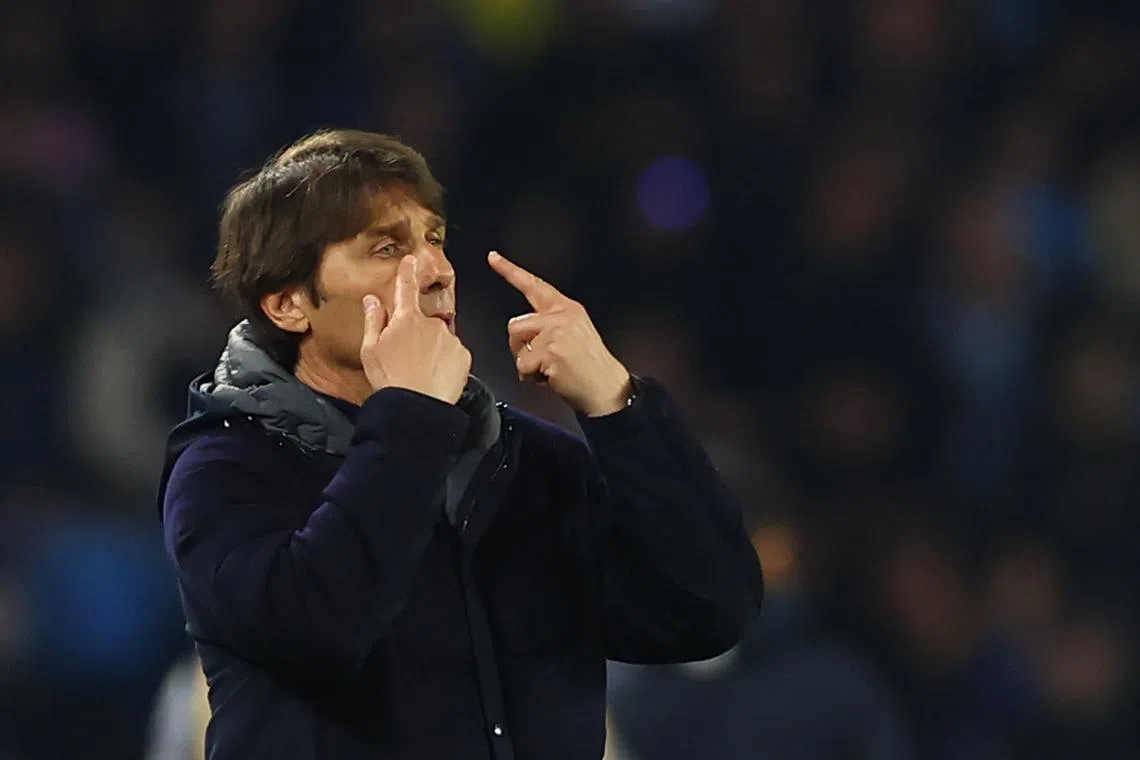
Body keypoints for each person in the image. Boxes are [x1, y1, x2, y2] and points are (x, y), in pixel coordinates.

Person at [157, 129, 764, 760]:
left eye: (435, 239)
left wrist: (620, 408)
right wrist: (411, 416)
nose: (437, 271)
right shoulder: (223, 467)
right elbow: (319, 633)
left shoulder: (527, 462)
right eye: (387, 248)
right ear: (288, 304)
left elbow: (709, 613)